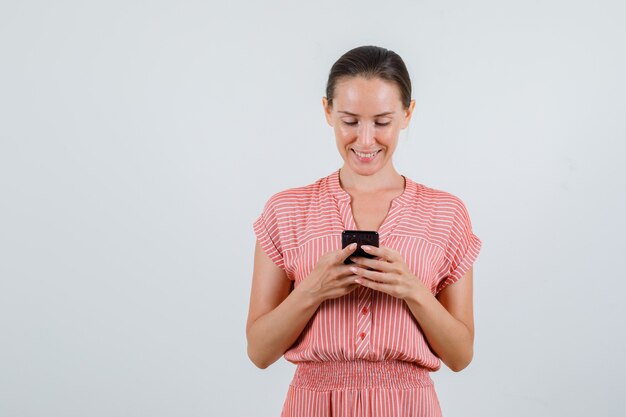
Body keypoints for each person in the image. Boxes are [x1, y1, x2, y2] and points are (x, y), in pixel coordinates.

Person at [246, 45, 482, 417]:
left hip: (409, 404)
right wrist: (312, 289)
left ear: (408, 114)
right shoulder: (287, 210)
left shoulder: (446, 213)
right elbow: (259, 352)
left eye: (383, 122)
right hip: (313, 403)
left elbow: (460, 355)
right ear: (327, 111)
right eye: (350, 121)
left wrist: (412, 289)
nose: (366, 140)